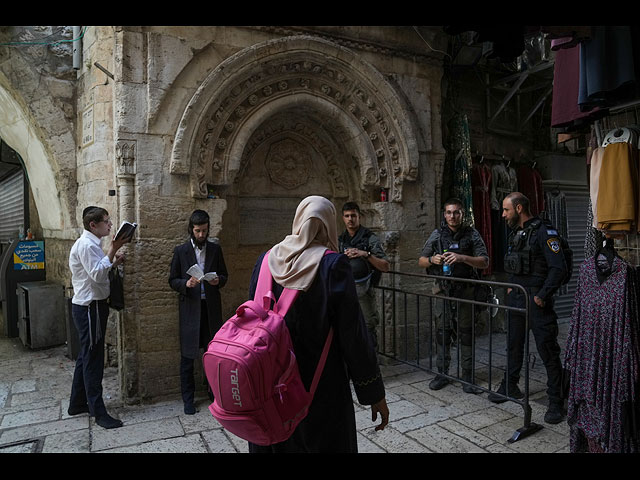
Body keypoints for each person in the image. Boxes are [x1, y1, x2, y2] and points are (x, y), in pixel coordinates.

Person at [247, 195, 389, 453]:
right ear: (328, 225)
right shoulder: (332, 265)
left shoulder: (266, 260)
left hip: (269, 385)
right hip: (319, 387)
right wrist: (373, 392)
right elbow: (353, 335)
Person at [487, 192, 566, 425]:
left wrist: (542, 295)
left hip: (537, 301)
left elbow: (558, 268)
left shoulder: (544, 232)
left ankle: (556, 400)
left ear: (519, 208)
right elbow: (515, 263)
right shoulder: (517, 233)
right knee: (513, 344)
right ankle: (510, 385)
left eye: (506, 210)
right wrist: (512, 286)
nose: (502, 214)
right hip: (518, 298)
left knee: (547, 350)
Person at [418, 198, 489, 394]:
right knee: (443, 333)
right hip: (444, 290)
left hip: (466, 291)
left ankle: (468, 377)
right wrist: (433, 259)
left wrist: (462, 258)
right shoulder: (437, 234)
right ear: (444, 214)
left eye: (456, 212)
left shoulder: (472, 234)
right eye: (449, 212)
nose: (452, 216)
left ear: (462, 214)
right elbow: (421, 261)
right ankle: (443, 373)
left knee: (466, 334)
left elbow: (484, 261)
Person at [68, 206, 130, 429]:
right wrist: (113, 249)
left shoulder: (91, 244)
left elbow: (95, 270)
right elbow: (95, 273)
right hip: (89, 308)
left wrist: (113, 261)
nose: (110, 224)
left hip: (92, 306)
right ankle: (99, 412)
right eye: (106, 221)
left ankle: (76, 403)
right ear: (93, 225)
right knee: (94, 359)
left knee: (87, 355)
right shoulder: (86, 245)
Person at [169, 209, 228, 415]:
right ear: (191, 230)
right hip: (190, 311)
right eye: (197, 231)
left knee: (211, 353)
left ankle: (214, 393)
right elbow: (172, 280)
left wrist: (218, 280)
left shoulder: (215, 250)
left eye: (204, 230)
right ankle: (188, 399)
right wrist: (187, 283)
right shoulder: (181, 251)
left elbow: (224, 275)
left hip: (210, 309)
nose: (201, 235)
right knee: (188, 356)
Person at [338, 202, 390, 350]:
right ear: (343, 218)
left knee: (368, 330)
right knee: (348, 329)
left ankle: (373, 368)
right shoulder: (341, 240)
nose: (350, 219)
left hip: (365, 292)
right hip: (345, 291)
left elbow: (385, 266)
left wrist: (365, 254)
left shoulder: (370, 238)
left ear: (359, 217)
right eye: (347, 216)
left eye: (353, 215)